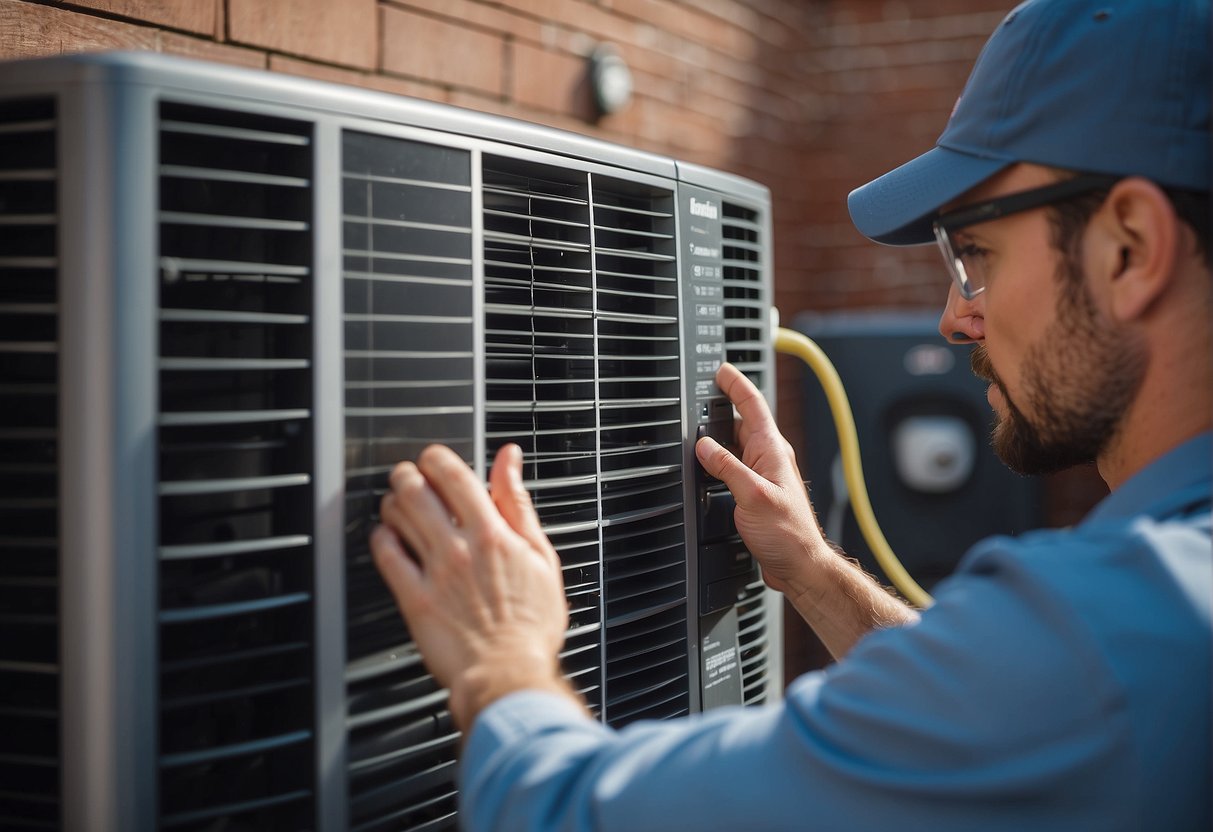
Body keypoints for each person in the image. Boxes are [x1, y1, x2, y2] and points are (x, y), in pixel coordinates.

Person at [370, 0, 1212, 828]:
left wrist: (498, 660)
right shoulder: (1134, 639)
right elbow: (1002, 718)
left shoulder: (1115, 638)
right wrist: (810, 568)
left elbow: (570, 814)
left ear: (1128, 247)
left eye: (976, 254)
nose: (954, 317)